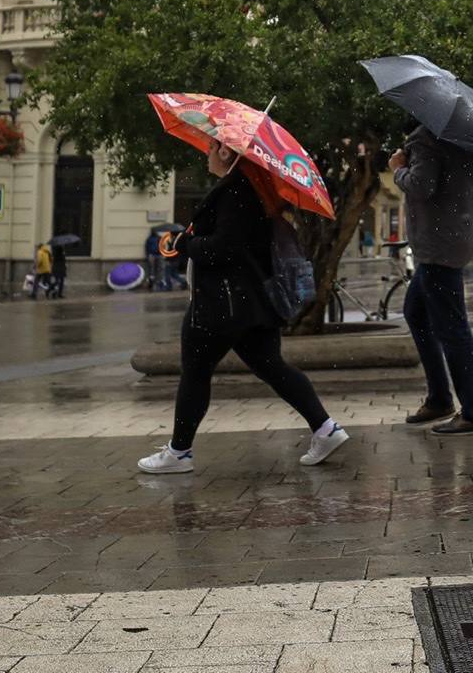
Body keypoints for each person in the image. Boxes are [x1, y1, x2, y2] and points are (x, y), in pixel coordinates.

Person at [137, 138, 348, 474]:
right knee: (272, 367)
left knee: (195, 372)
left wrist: (187, 243)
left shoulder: (234, 191)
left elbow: (224, 248)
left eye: (210, 148)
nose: (205, 154)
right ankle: (325, 428)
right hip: (250, 302)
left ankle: (179, 452)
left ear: (225, 151)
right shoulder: (253, 189)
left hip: (221, 303)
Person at [389, 122, 473, 436]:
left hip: (435, 245)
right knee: (417, 312)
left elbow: (421, 186)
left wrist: (398, 168)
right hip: (457, 241)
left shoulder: (424, 138)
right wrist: (464, 218)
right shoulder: (471, 139)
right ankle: (439, 398)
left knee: (452, 328)